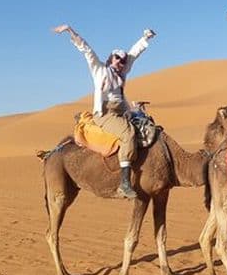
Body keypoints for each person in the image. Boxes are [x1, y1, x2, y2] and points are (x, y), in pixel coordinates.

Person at [53, 24, 156, 198]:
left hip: (122, 108)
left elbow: (134, 53)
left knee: (146, 124)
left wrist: (145, 38)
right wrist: (70, 31)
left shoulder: (123, 71)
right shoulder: (100, 70)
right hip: (105, 113)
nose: (120, 62)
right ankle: (124, 182)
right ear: (110, 58)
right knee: (128, 134)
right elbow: (86, 50)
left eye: (123, 61)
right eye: (117, 58)